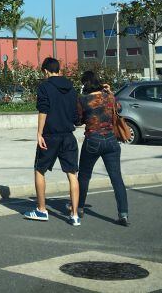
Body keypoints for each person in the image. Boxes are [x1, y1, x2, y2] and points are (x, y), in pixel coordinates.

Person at [24, 57, 82, 226]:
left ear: (46, 71)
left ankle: (41, 210)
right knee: (72, 174)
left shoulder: (44, 87)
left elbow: (44, 110)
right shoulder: (71, 88)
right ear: (59, 70)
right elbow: (74, 113)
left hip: (50, 135)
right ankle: (75, 215)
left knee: (39, 170)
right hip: (68, 136)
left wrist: (39, 133)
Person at [76, 70, 129, 226]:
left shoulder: (83, 99)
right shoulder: (109, 97)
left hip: (93, 140)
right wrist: (110, 92)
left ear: (85, 83)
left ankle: (79, 207)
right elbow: (118, 109)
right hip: (112, 141)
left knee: (84, 176)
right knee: (116, 178)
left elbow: (78, 121)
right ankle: (123, 213)